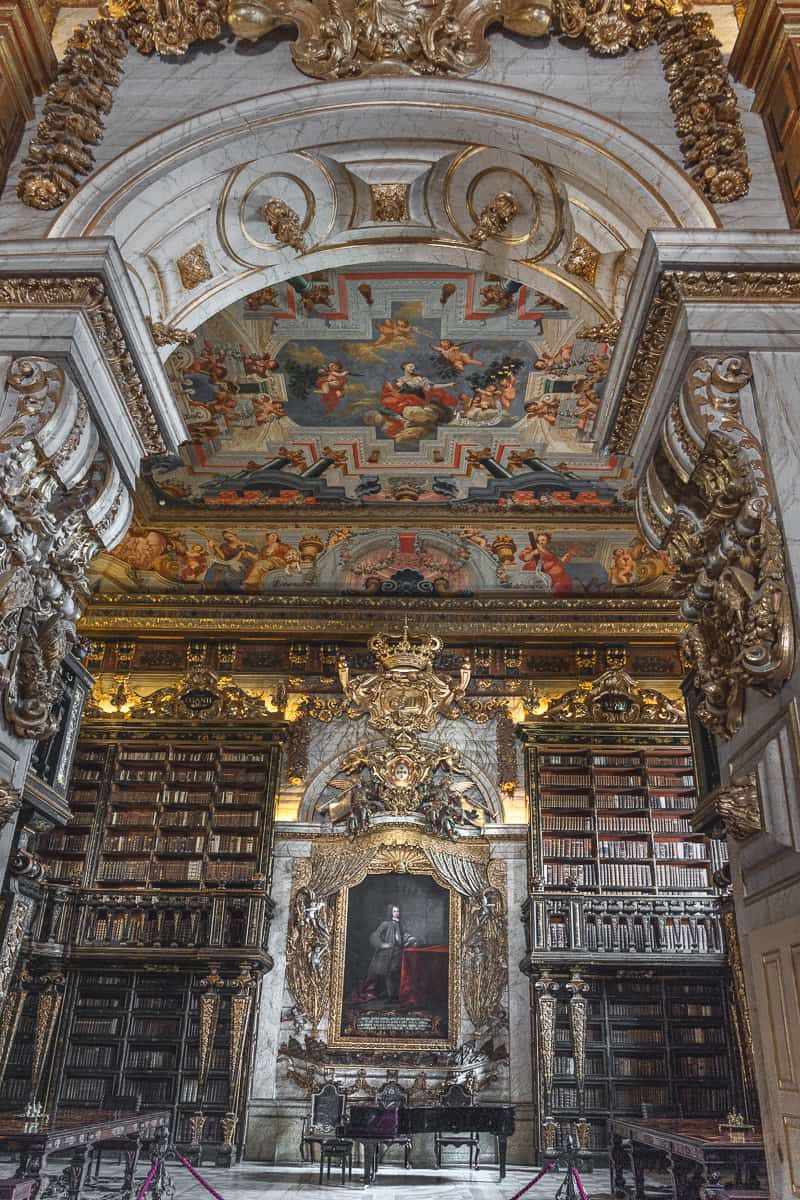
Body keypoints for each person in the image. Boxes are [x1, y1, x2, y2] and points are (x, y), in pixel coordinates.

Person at [352, 904, 417, 1004]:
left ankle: (396, 996)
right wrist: (382, 945)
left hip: (398, 953)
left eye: (398, 911)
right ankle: (391, 996)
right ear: (390, 912)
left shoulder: (400, 924)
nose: (397, 913)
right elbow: (375, 935)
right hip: (388, 954)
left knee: (397, 974)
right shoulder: (385, 924)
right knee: (389, 974)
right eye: (395, 911)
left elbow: (403, 936)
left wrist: (410, 939)